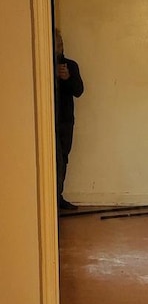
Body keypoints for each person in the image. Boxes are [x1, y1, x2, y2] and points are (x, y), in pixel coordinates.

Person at [54, 28, 84, 210]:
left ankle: (58, 196)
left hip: (65, 120)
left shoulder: (70, 66)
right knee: (52, 158)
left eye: (61, 44)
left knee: (63, 158)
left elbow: (79, 91)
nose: (59, 48)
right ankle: (51, 197)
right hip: (47, 120)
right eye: (56, 44)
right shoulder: (43, 65)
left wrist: (67, 78)